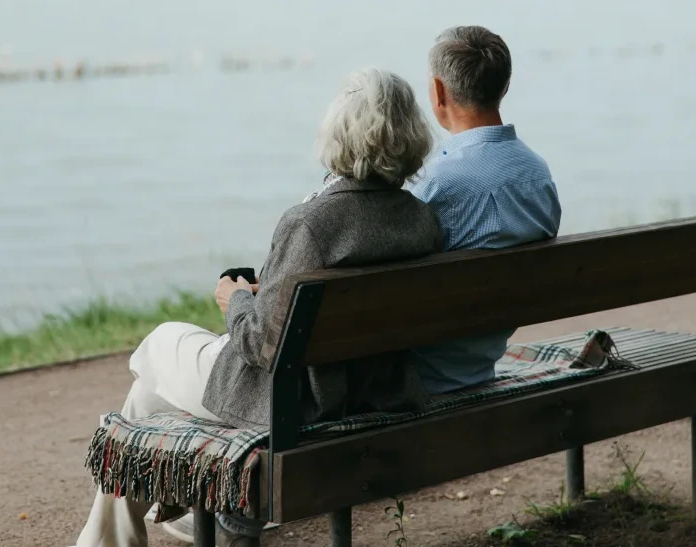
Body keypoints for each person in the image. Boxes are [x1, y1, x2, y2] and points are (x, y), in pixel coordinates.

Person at [73, 67, 443, 547]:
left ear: (338, 137)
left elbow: (259, 344)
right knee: (146, 402)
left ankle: (170, 514)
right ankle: (140, 529)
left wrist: (238, 299)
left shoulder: (310, 223)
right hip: (373, 386)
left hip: (297, 399)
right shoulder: (421, 219)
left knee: (161, 343)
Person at [407, 26, 562, 394]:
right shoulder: (538, 176)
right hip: (483, 358)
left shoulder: (432, 185)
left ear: (439, 91)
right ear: (503, 87)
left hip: (418, 374)